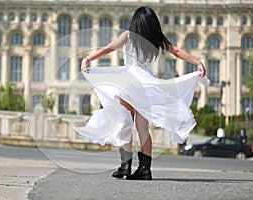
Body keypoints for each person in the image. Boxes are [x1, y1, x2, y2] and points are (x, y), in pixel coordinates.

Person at [75, 7, 207, 180]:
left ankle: (125, 166)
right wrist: (197, 61)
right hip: (147, 86)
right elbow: (176, 51)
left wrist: (87, 58)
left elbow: (108, 49)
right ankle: (145, 169)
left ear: (135, 22)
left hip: (129, 83)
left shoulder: (128, 36)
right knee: (142, 128)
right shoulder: (155, 38)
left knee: (125, 122)